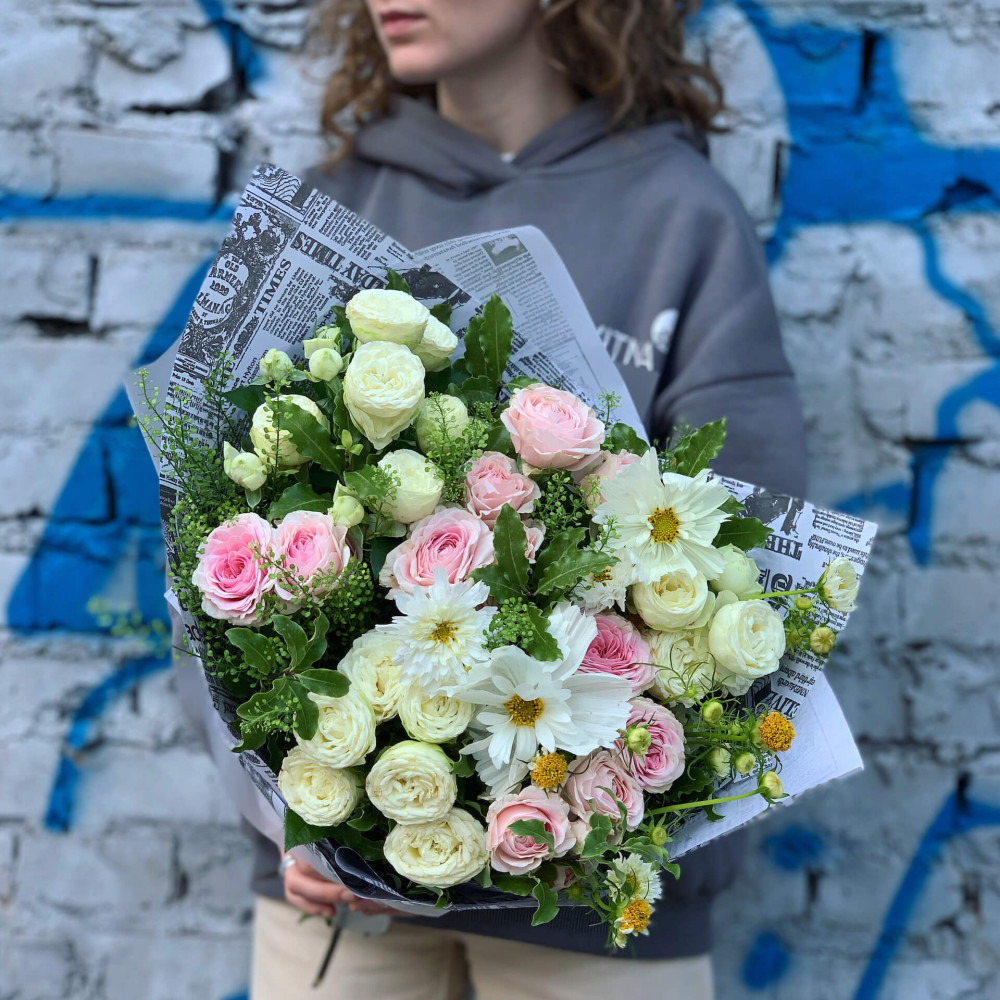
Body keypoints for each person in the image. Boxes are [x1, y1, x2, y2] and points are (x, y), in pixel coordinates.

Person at [250, 1, 807, 997]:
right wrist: (289, 811)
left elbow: (752, 557)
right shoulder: (336, 205)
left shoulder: (682, 214)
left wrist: (602, 821)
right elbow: (217, 547)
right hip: (338, 888)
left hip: (595, 892)